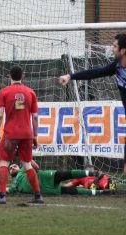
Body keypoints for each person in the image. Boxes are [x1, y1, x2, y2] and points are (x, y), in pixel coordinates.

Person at [58, 33, 126, 175]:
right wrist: (70, 76)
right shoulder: (117, 66)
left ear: (123, 50)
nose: (111, 49)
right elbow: (94, 73)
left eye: (114, 46)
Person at [0, 66, 43, 204]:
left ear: (9, 76)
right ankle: (38, 196)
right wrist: (35, 136)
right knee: (27, 164)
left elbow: (0, 116)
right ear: (23, 76)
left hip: (11, 134)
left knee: (4, 163)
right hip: (26, 134)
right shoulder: (31, 92)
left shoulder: (4, 92)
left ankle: (2, 196)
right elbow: (35, 117)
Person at [8, 163, 111, 196]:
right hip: (43, 190)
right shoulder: (14, 185)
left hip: (45, 177)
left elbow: (37, 167)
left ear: (19, 167)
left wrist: (28, 158)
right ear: (9, 174)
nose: (12, 168)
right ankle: (100, 192)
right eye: (10, 168)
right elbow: (6, 190)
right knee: (69, 191)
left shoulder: (23, 168)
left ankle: (94, 173)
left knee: (65, 174)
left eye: (14, 166)